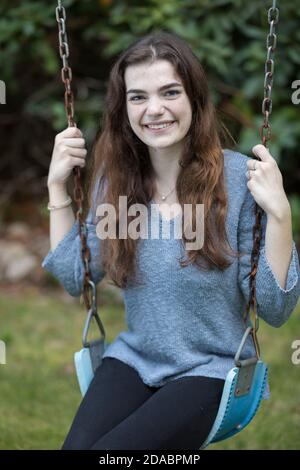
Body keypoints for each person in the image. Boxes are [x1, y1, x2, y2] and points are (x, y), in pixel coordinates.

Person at [41, 31, 300, 450]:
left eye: (170, 92)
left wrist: (280, 215)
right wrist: (56, 188)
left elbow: (274, 308)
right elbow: (76, 275)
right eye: (138, 97)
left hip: (211, 370)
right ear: (123, 108)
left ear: (195, 99)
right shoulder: (117, 182)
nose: (154, 110)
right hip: (134, 359)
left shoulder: (240, 182)